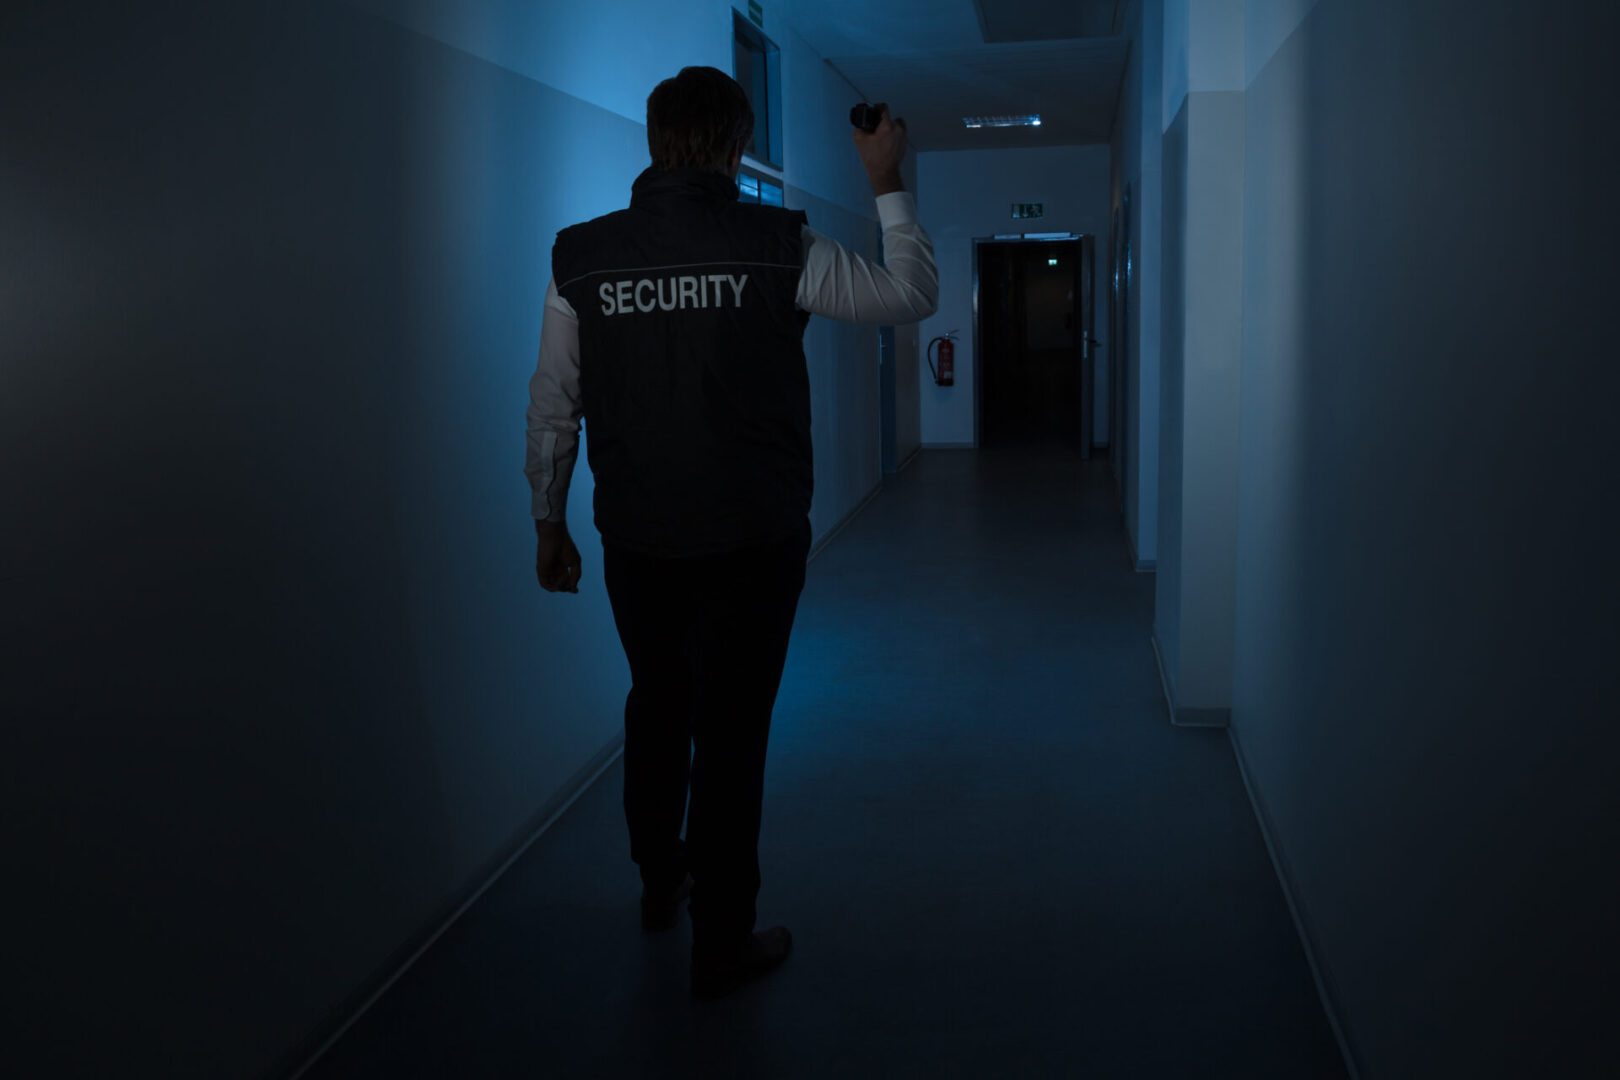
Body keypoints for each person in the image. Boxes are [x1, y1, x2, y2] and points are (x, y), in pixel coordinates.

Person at [524, 65, 937, 999]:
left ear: (653, 138)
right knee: (733, 733)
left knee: (658, 705)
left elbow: (553, 406)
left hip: (637, 539)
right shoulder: (777, 244)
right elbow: (910, 295)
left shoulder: (579, 256)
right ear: (739, 143)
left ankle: (659, 880)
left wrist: (547, 520)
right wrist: (884, 179)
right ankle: (723, 935)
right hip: (752, 540)